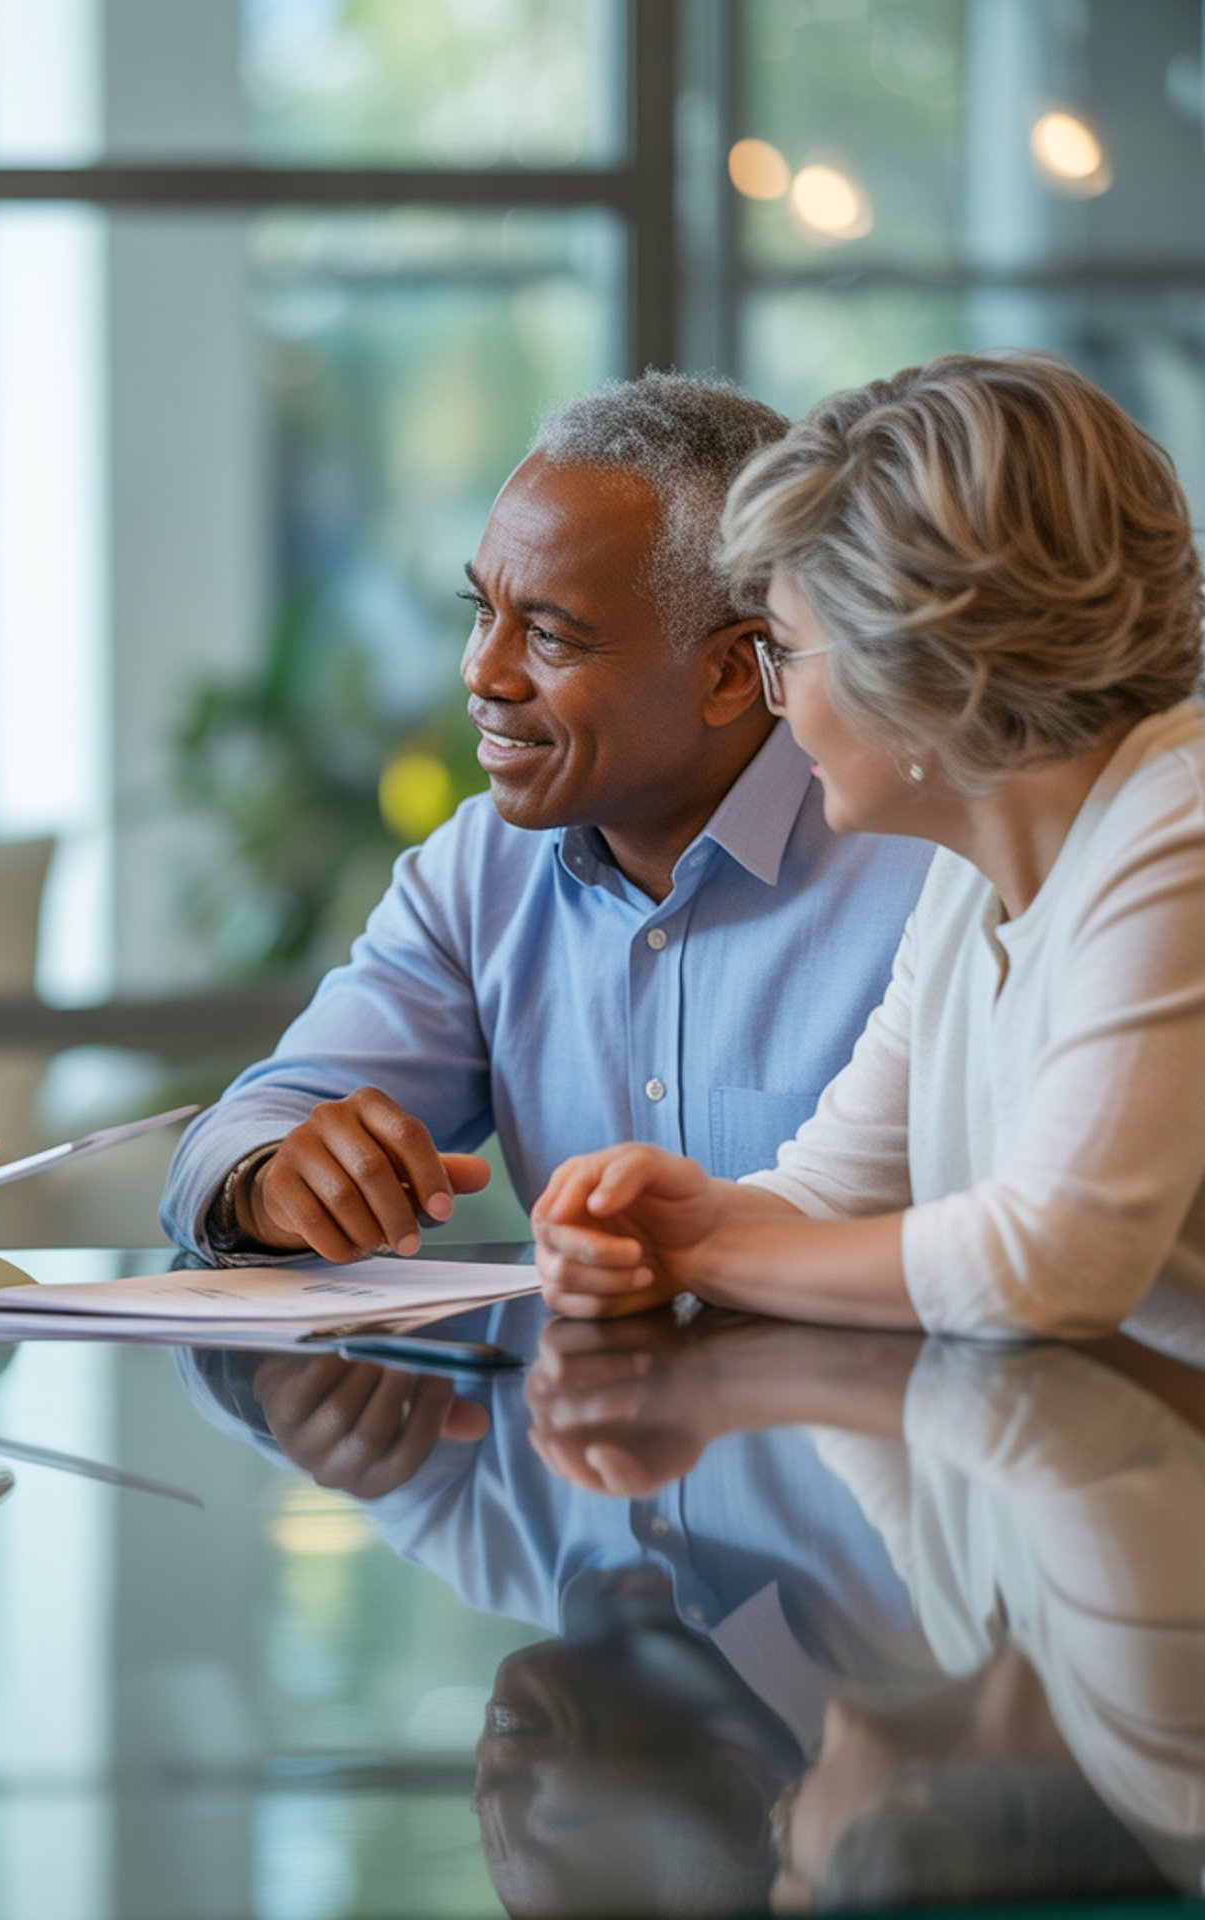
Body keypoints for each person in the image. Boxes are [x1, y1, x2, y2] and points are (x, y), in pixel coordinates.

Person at [160, 374, 931, 1265]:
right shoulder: (479, 871)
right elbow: (249, 1128)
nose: (481, 673)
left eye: (549, 635)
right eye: (482, 611)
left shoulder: (928, 862)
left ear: (729, 672)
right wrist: (271, 1180)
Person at [532, 350, 1205, 1342]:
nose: (778, 704)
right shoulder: (969, 874)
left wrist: (699, 1258)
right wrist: (685, 1222)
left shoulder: (1179, 832)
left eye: (786, 652)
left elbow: (1057, 1261)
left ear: (927, 661)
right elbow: (834, 1190)